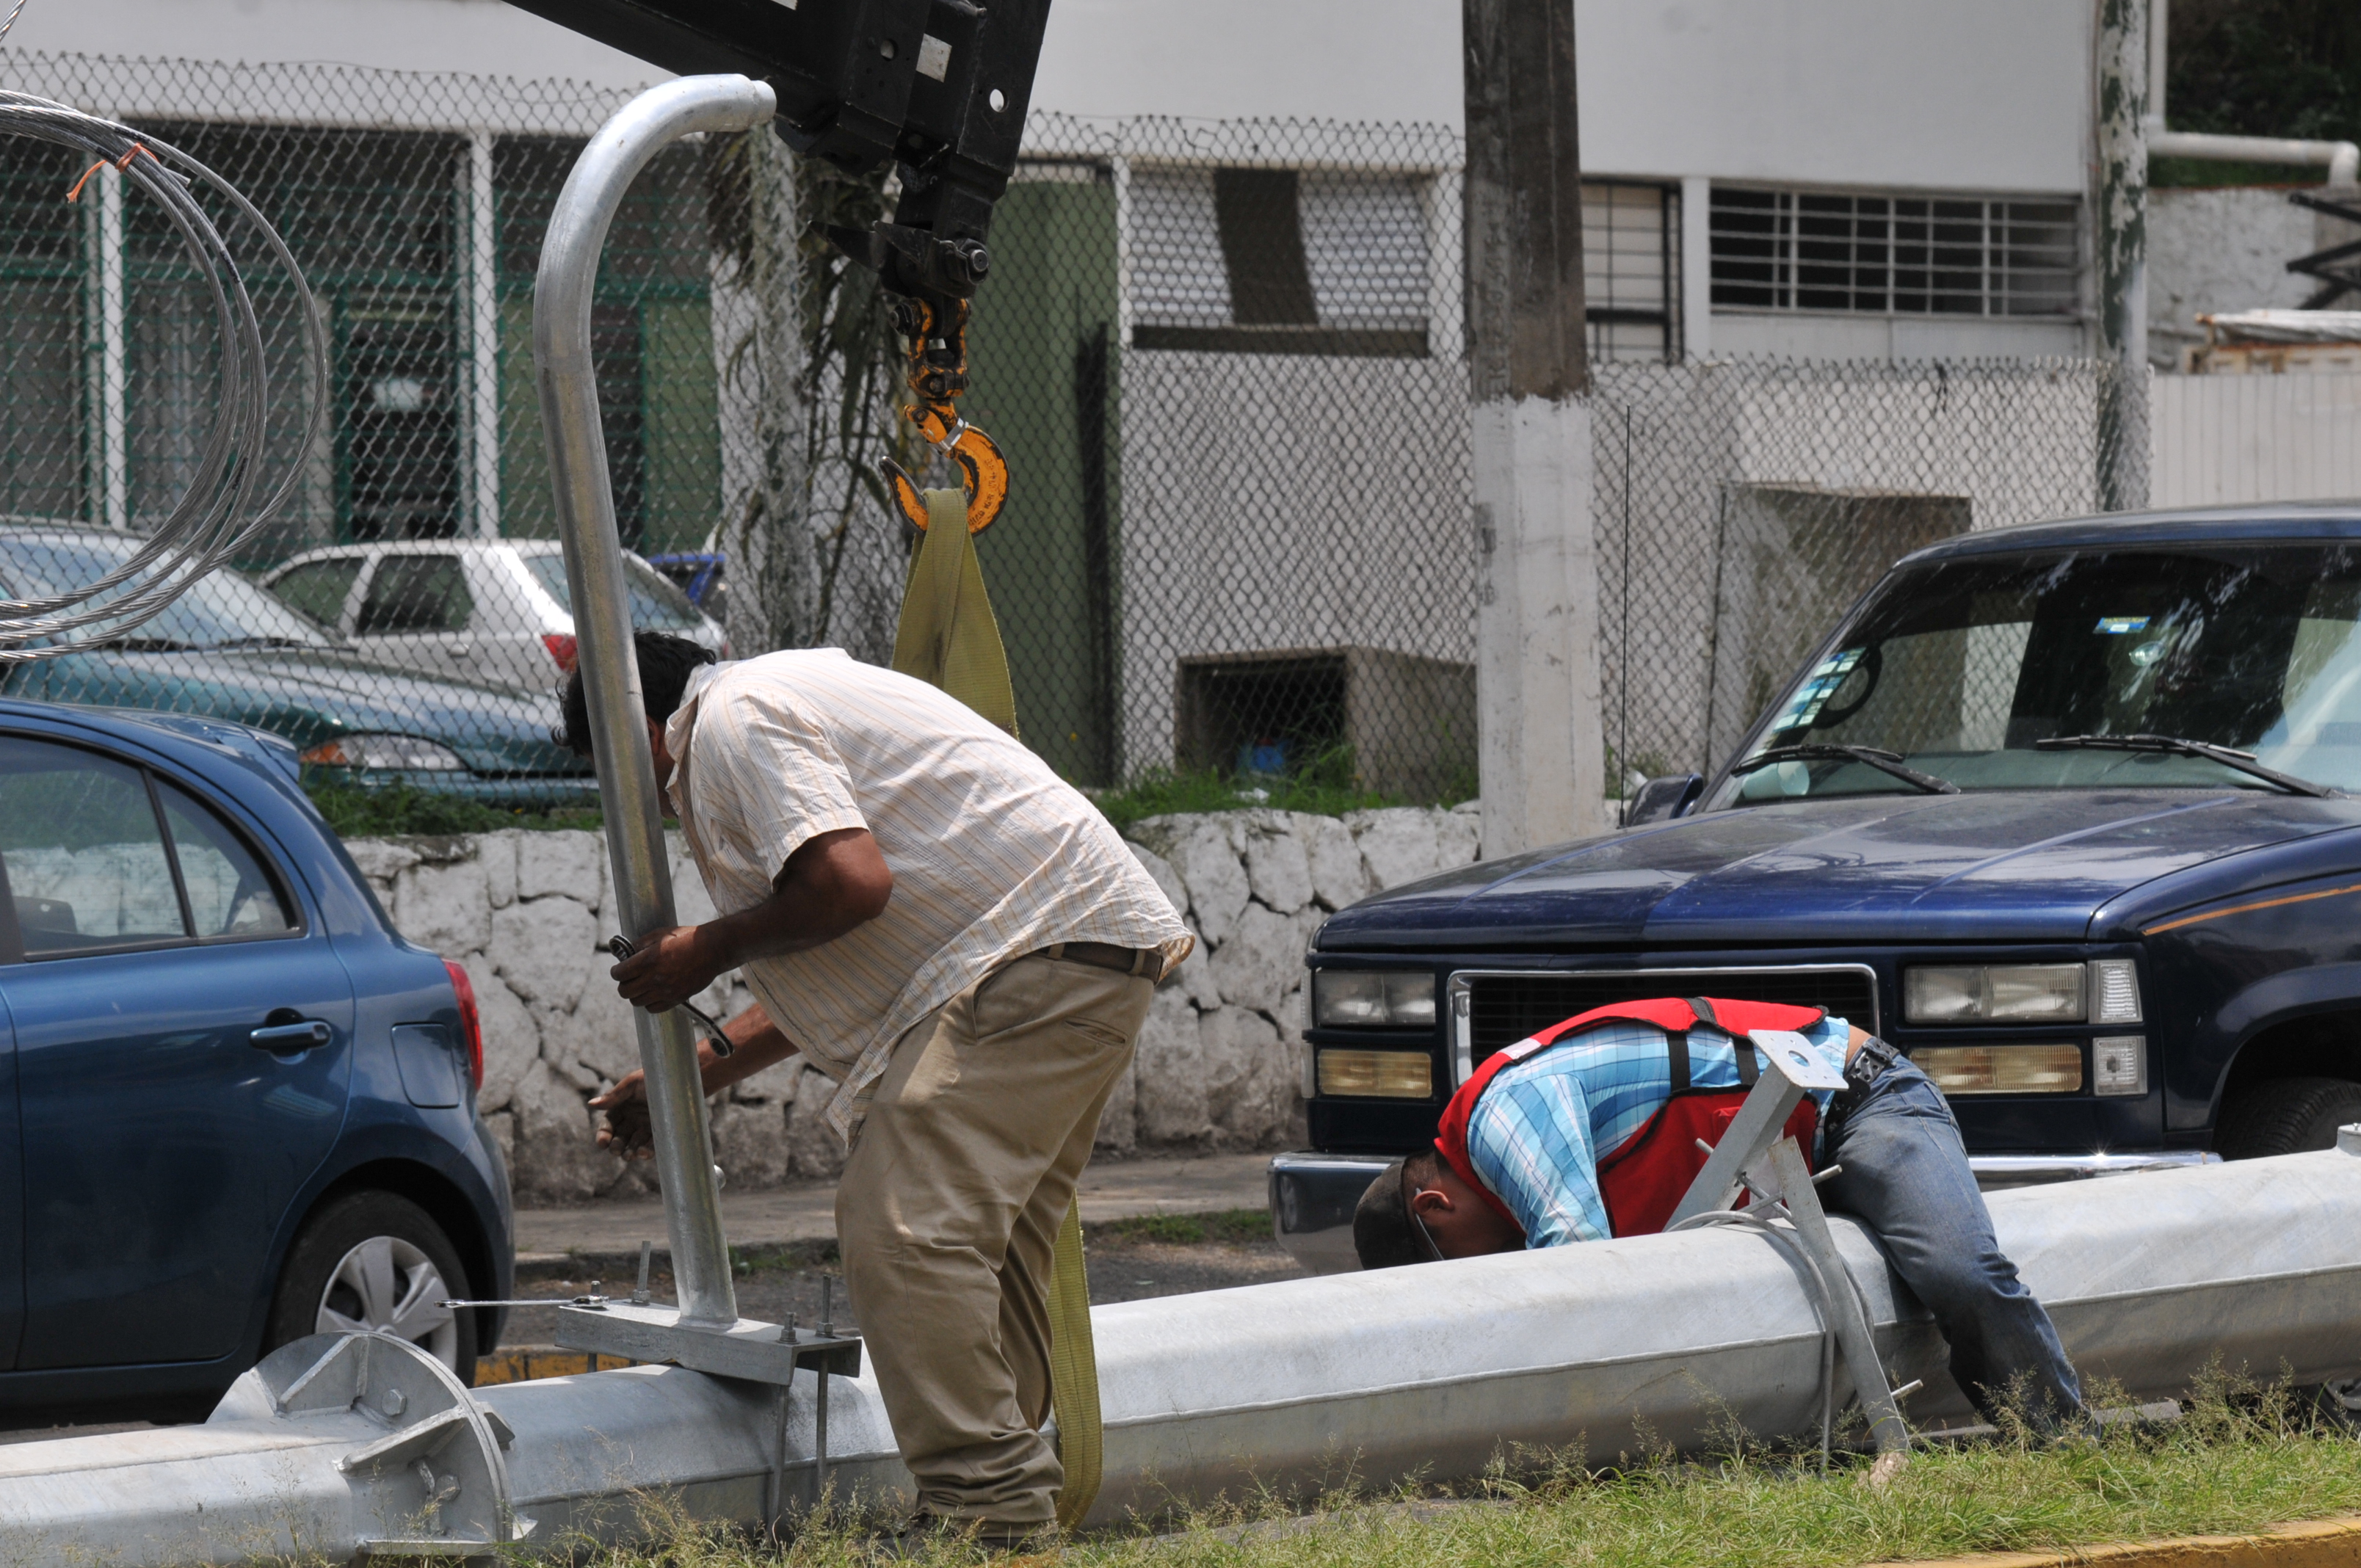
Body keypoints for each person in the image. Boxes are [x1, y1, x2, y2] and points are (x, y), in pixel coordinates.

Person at [559, 631, 1192, 1546]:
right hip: (1066, 956)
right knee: (986, 1249)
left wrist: (712, 945)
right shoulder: (779, 698)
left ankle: (992, 1517)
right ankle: (998, 1502)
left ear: (637, 734)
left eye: (612, 775)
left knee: (903, 1230)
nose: (635, 802)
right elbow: (870, 938)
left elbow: (850, 885)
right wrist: (703, 1068)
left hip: (1029, 960)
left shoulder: (734, 723)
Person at [1352, 996, 2082, 1425]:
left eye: (1453, 1269)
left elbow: (1576, 1267)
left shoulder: (1500, 1117)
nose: (1480, 1278)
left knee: (1954, 1269)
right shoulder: (1501, 1140)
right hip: (1782, 1156)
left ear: (1435, 1205)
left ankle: (2061, 1440)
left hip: (1859, 1101)